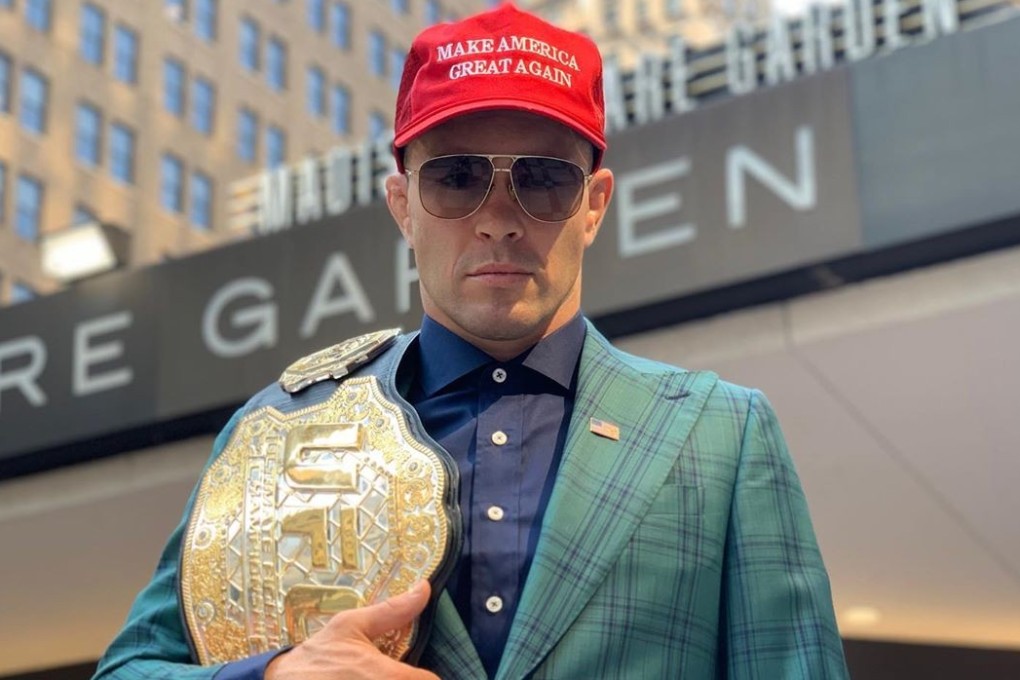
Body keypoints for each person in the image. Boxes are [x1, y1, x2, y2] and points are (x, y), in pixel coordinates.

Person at [94, 4, 849, 679]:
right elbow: (130, 669)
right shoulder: (280, 429)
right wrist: (279, 677)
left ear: (594, 205)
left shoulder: (722, 435)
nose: (498, 219)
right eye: (456, 178)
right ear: (402, 205)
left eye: (544, 179)